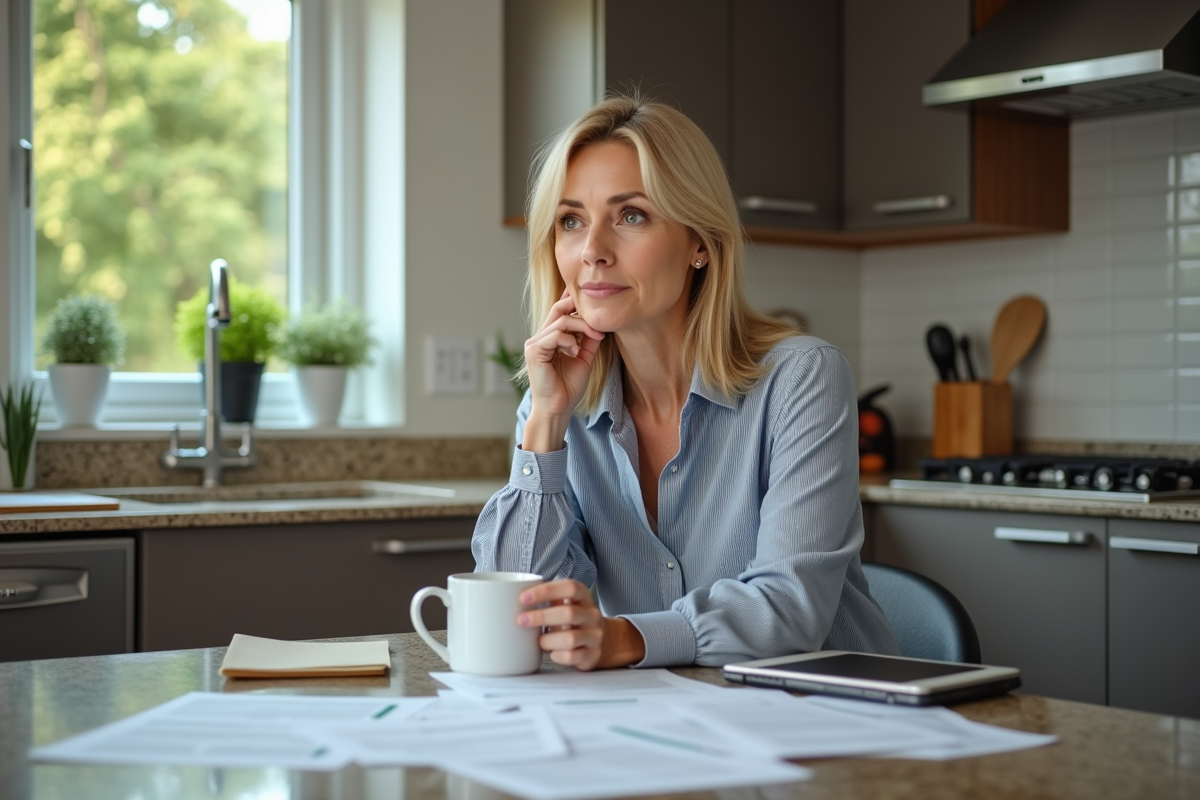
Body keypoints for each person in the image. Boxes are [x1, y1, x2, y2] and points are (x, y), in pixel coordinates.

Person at [472, 95, 899, 671]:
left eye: (631, 215)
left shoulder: (801, 378)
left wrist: (628, 637)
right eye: (571, 221)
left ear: (700, 241)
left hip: (830, 715)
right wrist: (545, 421)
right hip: (664, 722)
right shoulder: (555, 406)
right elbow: (521, 608)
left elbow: (790, 608)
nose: (593, 250)